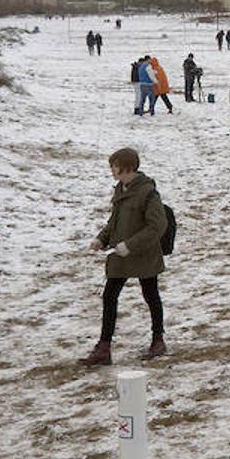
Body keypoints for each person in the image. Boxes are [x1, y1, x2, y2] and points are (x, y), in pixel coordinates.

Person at [81, 147, 167, 366]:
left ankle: (158, 340)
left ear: (127, 167)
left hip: (144, 255)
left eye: (114, 165)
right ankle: (104, 348)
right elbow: (114, 221)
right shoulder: (120, 189)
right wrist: (101, 239)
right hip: (120, 254)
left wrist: (130, 245)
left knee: (151, 295)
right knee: (109, 296)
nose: (112, 169)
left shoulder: (148, 192)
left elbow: (158, 226)